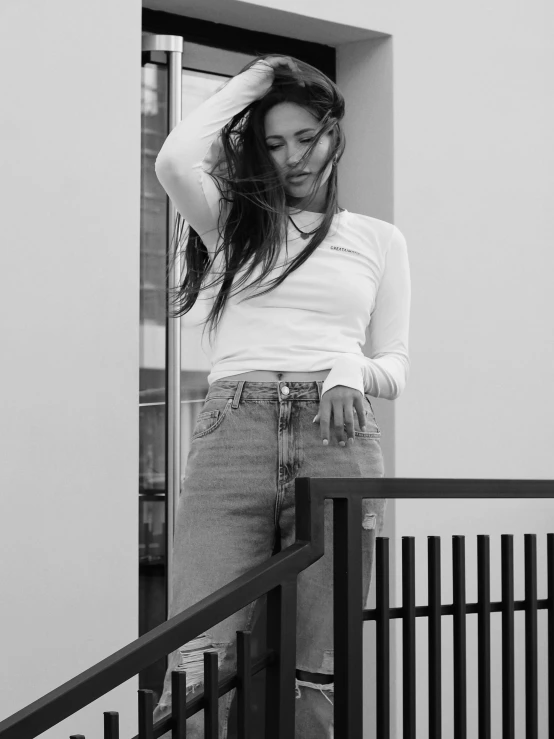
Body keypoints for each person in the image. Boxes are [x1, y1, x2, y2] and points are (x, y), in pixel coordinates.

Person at [151, 54, 411, 738]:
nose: (291, 157)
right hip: (232, 436)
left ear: (335, 131)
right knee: (196, 661)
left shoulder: (379, 241)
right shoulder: (234, 221)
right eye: (272, 143)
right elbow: (175, 161)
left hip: (340, 442)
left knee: (315, 672)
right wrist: (262, 78)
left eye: (305, 137)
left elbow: (396, 366)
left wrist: (349, 367)